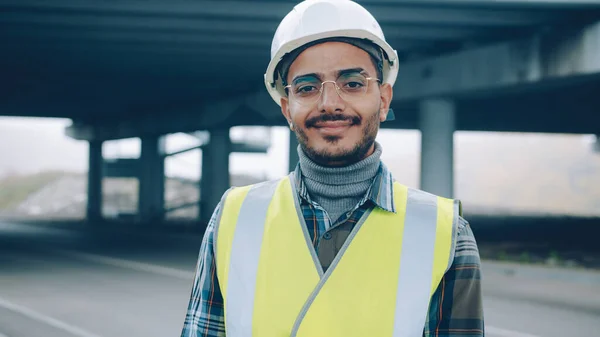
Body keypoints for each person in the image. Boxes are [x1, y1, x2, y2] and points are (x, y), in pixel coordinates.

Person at [181, 1, 484, 336]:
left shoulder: (446, 233)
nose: (330, 104)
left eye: (353, 83)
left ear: (383, 100)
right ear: (286, 109)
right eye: (307, 87)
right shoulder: (233, 219)